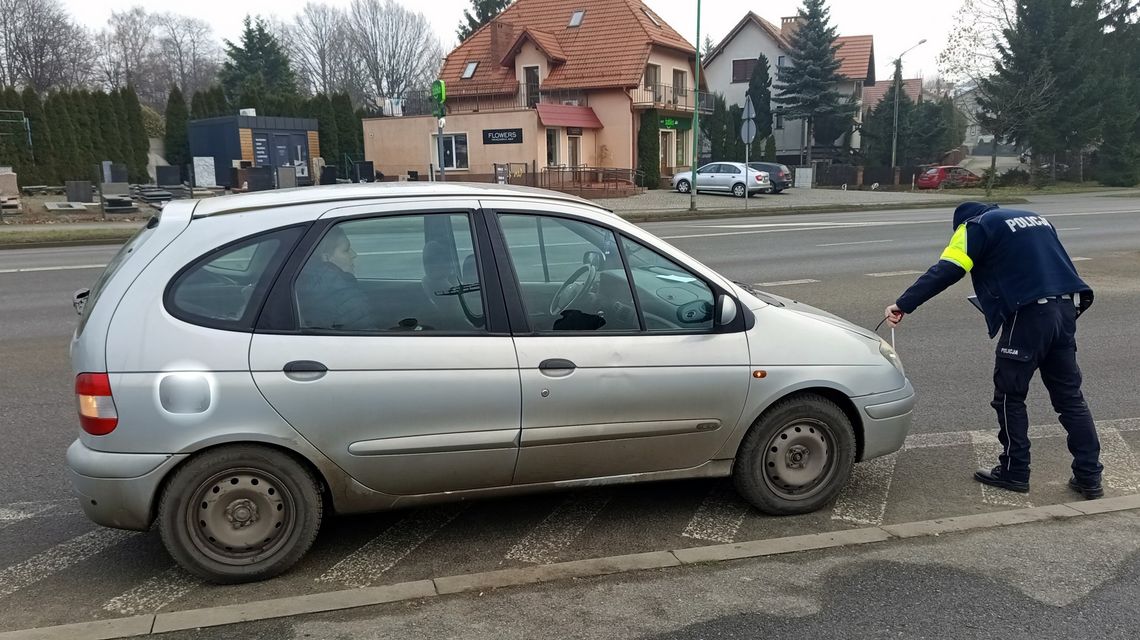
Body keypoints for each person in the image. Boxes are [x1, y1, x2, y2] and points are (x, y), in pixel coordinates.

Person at [885, 202, 1103, 499]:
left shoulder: (974, 226)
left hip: (1027, 315)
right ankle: (1089, 476)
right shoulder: (1032, 218)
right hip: (1065, 309)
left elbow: (948, 269)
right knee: (1070, 398)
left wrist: (904, 303)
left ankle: (1014, 471)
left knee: (1009, 397)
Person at [295, 226, 379, 331]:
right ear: (326, 258)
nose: (354, 254)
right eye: (346, 250)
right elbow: (366, 334)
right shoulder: (343, 293)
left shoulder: (303, 286)